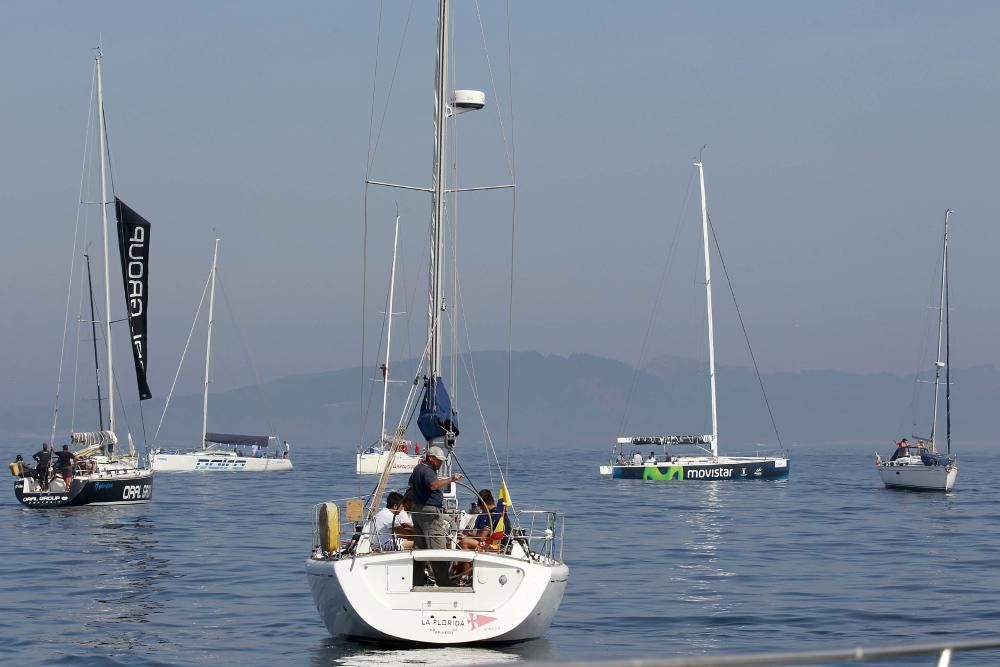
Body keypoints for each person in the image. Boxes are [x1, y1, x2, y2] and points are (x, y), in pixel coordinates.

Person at [407, 445, 463, 586]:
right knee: (437, 549)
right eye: (439, 460)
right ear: (431, 458)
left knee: (420, 550)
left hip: (417, 512)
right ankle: (444, 583)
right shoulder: (427, 471)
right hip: (430, 514)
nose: (441, 463)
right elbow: (433, 485)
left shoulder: (417, 469)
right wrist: (452, 478)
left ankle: (417, 582)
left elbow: (410, 485)